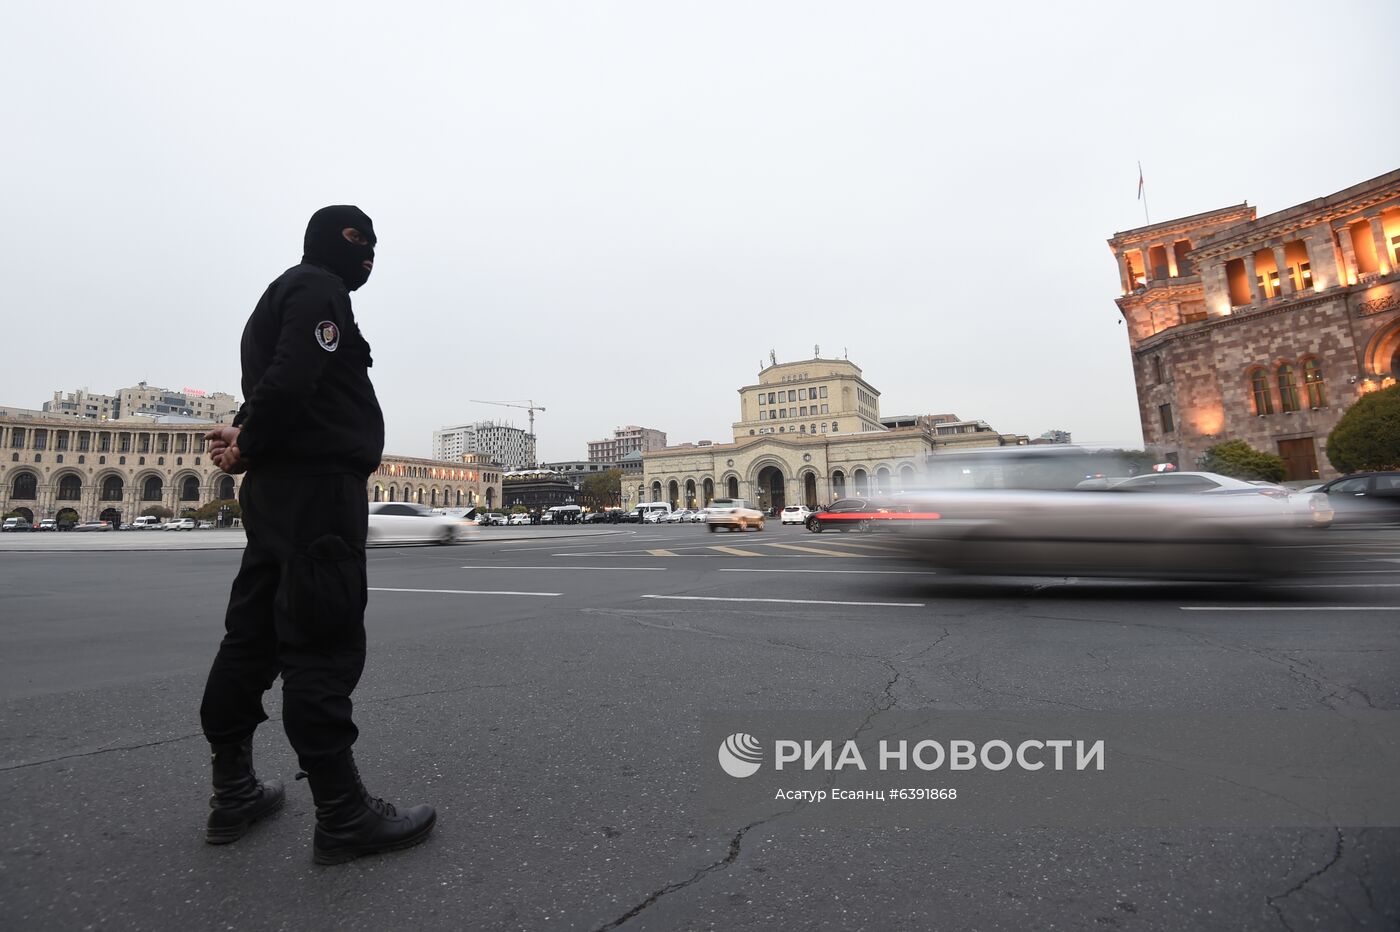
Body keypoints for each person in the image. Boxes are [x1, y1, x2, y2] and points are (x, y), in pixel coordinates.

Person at [199, 206, 435, 864]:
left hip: (279, 493)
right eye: (361, 242)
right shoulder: (316, 287)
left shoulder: (283, 294)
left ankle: (234, 790)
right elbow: (298, 375)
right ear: (333, 241)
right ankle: (342, 813)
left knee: (253, 636)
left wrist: (249, 431)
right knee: (321, 640)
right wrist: (249, 438)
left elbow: (284, 378)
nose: (370, 257)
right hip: (316, 493)